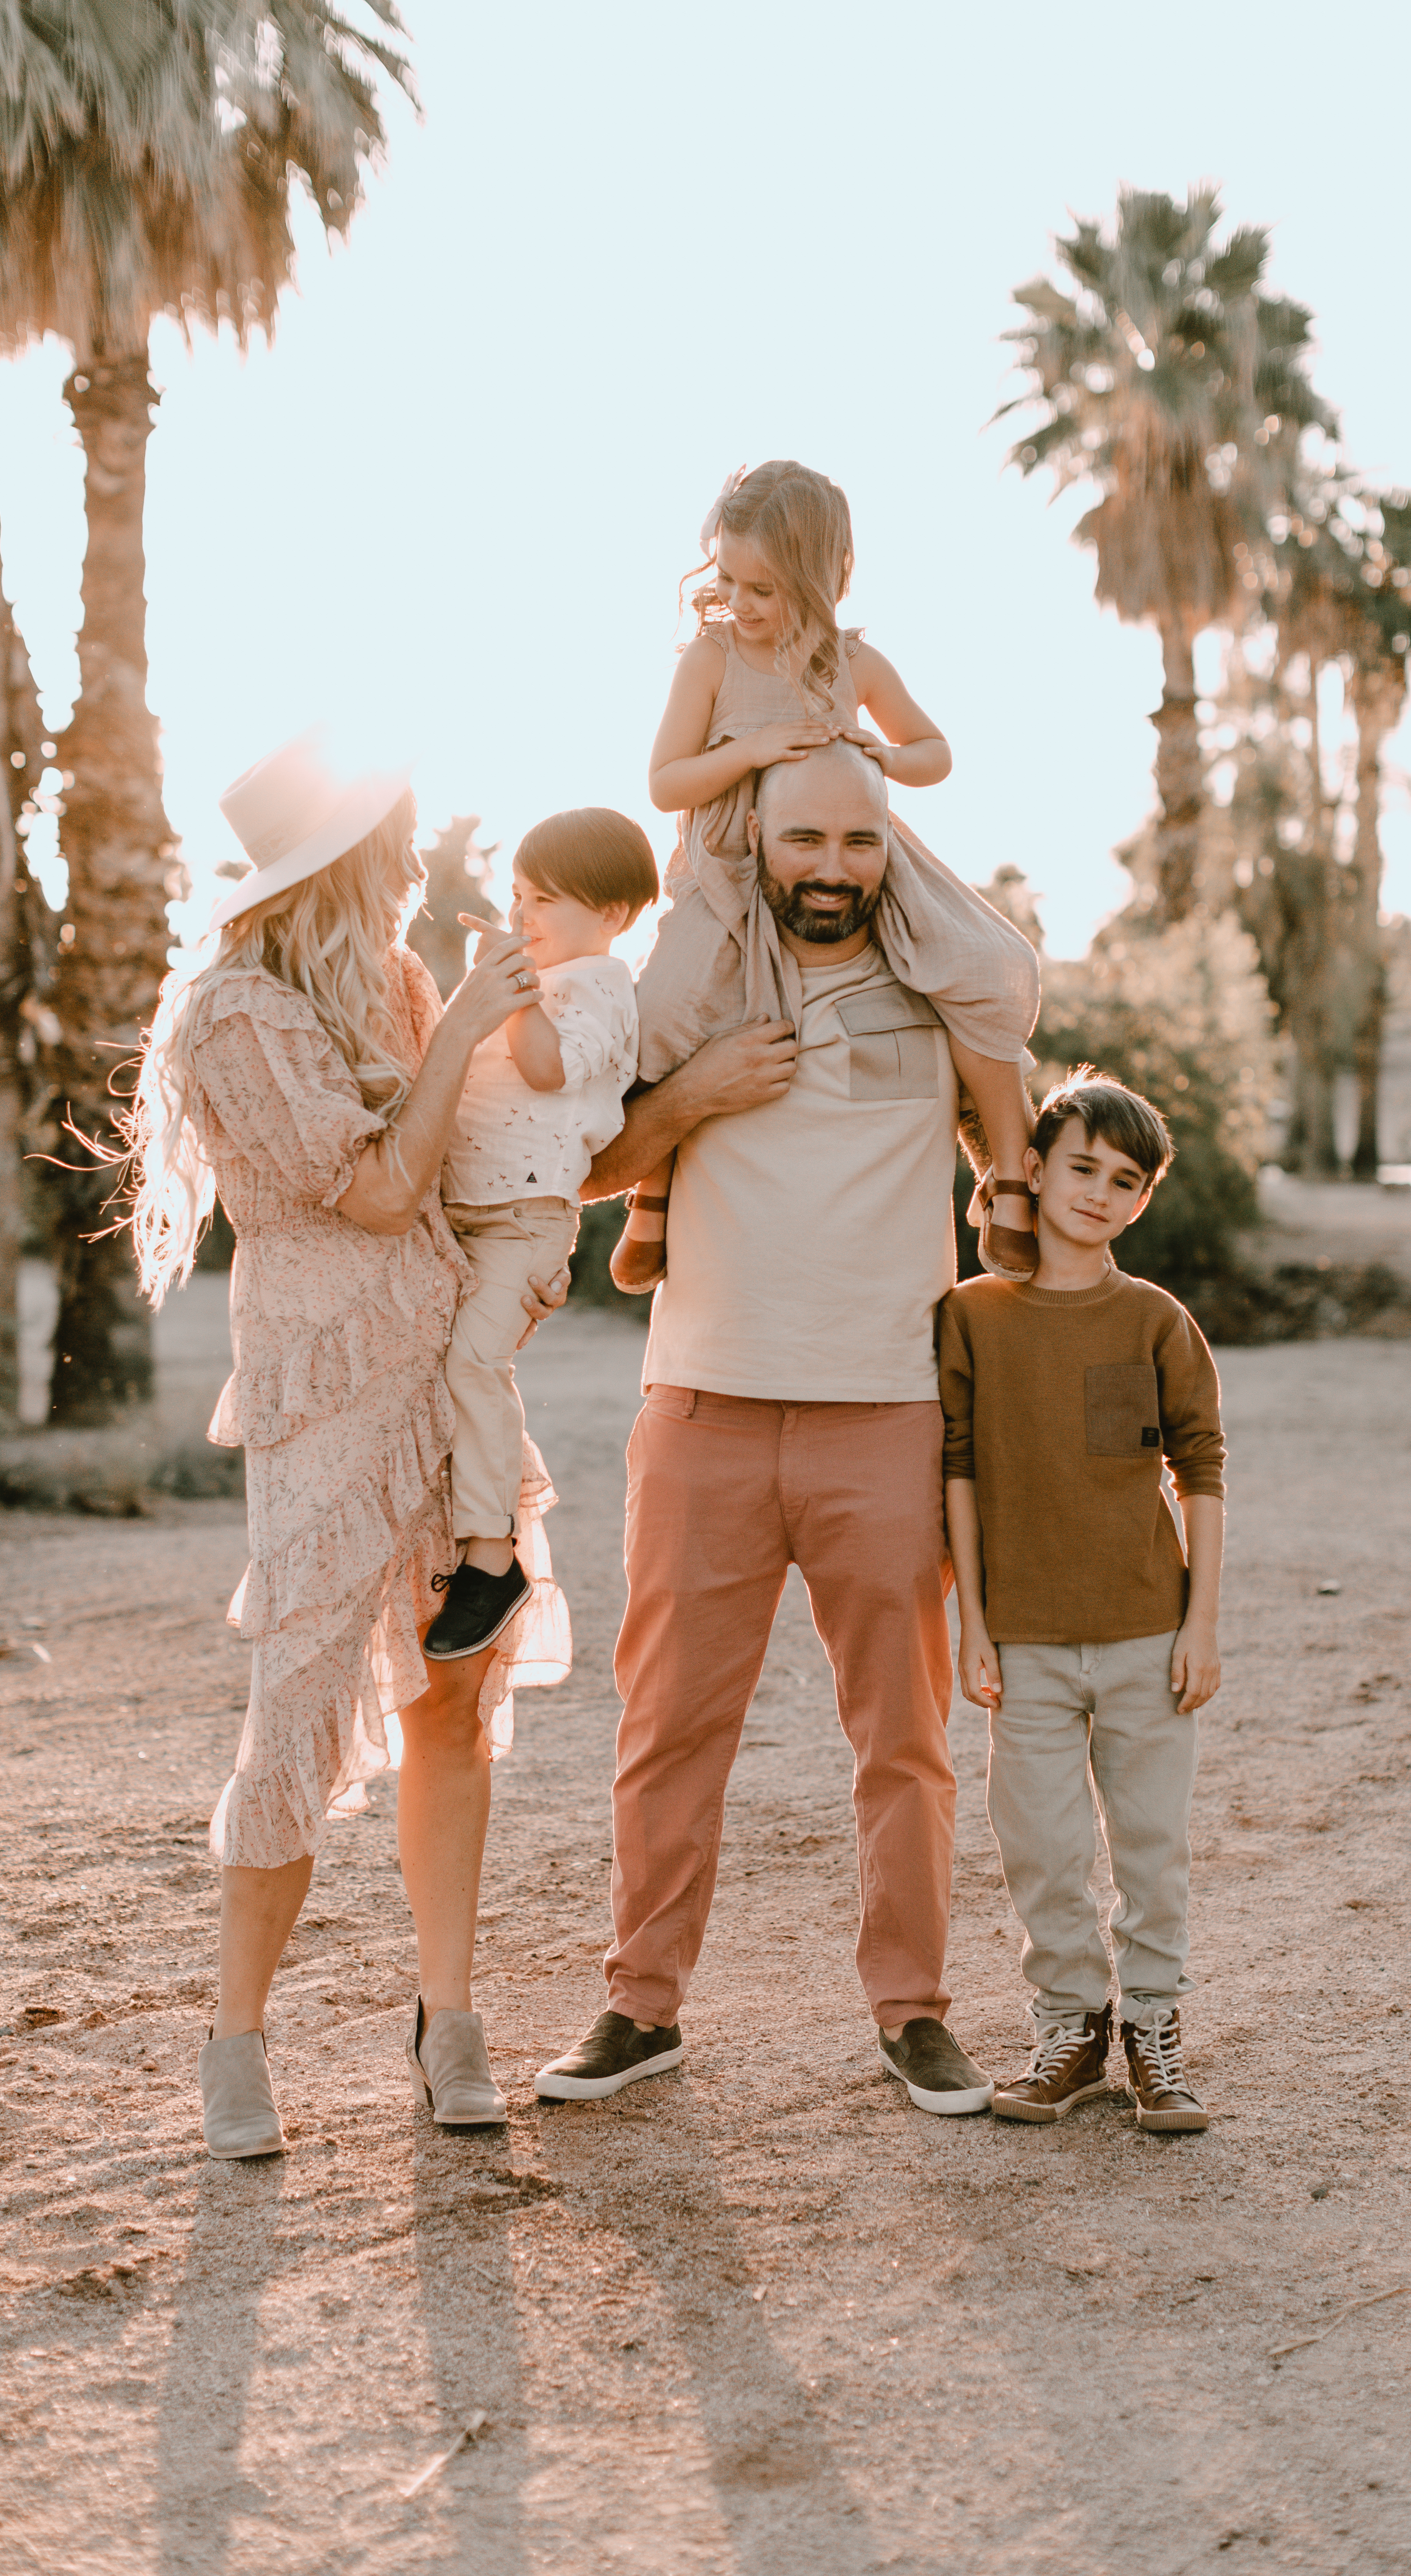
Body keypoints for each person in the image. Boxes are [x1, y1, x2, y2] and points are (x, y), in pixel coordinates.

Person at [126, 728, 571, 2159]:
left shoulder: (396, 982)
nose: (409, 874)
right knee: (301, 1706)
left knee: (454, 1692)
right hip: (325, 1396)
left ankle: (450, 2019)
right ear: (341, 863)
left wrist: (526, 1255)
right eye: (391, 850)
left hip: (438, 1374)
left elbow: (454, 1168)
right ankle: (235, 2040)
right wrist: (448, 1041)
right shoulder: (234, 1017)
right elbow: (374, 1193)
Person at [535, 737, 996, 2116]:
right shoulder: (698, 992)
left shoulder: (940, 993)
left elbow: (1019, 1147)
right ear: (757, 842)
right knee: (670, 1727)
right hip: (704, 1410)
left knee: (904, 1741)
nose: (834, 870)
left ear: (892, 850)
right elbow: (594, 1158)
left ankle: (913, 2011)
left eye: (862, 844)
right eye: (806, 843)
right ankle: (641, 2005)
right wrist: (696, 1094)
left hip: (891, 1416)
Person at [608, 458, 1041, 1293]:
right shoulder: (712, 659)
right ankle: (652, 1192)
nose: (740, 602)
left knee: (987, 964)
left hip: (853, 849)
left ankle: (1010, 1178)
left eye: (762, 588)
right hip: (735, 861)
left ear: (823, 576)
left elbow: (935, 752)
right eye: (729, 579)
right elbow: (664, 782)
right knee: (667, 1005)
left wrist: (882, 755)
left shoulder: (855, 664)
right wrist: (751, 751)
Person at [939, 1072, 1226, 2134]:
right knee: (1042, 1846)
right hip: (1026, 1640)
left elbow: (1201, 1469)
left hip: (1151, 1633)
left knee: (1152, 1843)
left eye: (1125, 1181)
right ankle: (1071, 2025)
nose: (1099, 1193)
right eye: (1082, 1169)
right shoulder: (971, 1319)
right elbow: (957, 1471)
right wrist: (974, 1619)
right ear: (1035, 1170)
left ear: (1142, 1200)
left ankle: (1154, 2027)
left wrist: (1202, 1622)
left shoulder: (1154, 1319)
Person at [431, 808, 658, 1657]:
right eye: (519, 896)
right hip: (471, 1212)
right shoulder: (550, 979)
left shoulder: (598, 983)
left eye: (546, 902)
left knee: (473, 1362)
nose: (524, 916)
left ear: (611, 914)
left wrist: (510, 990)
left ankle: (491, 1559)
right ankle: (465, 1533)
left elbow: (547, 1067)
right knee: (449, 1364)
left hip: (524, 1218)